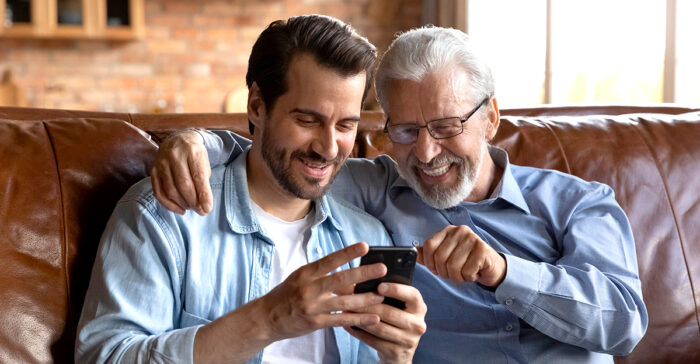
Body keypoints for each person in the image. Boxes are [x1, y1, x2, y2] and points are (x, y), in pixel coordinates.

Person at [152, 26, 648, 363]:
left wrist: (502, 272)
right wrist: (198, 141)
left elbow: (624, 322)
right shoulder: (377, 189)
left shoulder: (578, 202)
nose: (427, 153)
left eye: (446, 125)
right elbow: (277, 158)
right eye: (406, 130)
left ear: (491, 117)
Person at [76, 15, 427, 364]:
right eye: (307, 120)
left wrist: (397, 359)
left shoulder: (366, 235)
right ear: (257, 105)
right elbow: (105, 357)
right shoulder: (164, 215)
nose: (329, 148)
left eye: (346, 125)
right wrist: (268, 319)